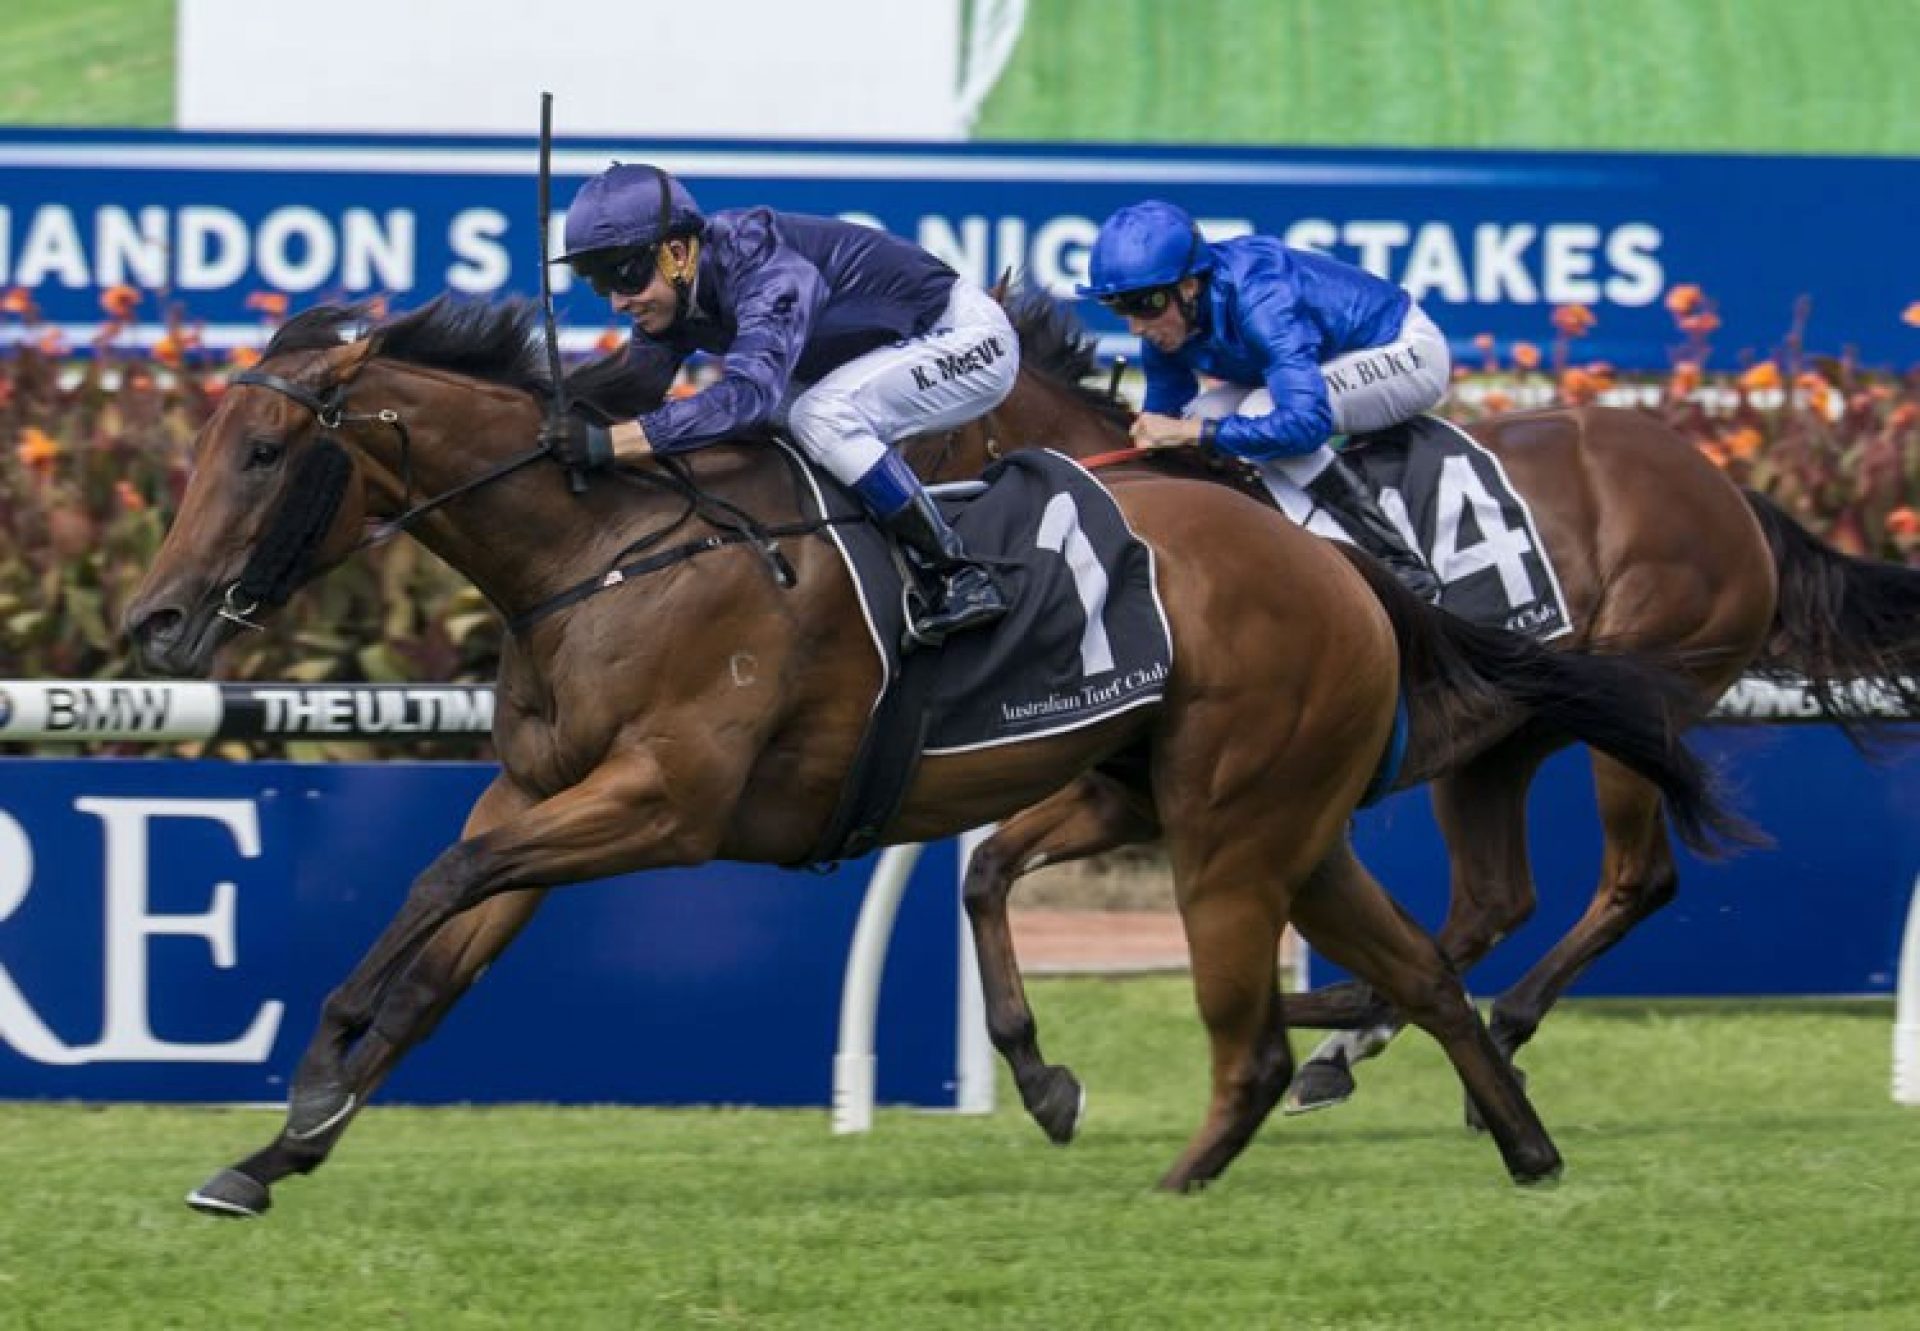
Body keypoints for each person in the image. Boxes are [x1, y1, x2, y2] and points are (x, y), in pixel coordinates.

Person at [541, 163, 1013, 648]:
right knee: (771, 421)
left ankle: (957, 574)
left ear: (677, 254)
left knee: (820, 416)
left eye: (624, 276)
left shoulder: (768, 270)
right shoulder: (673, 299)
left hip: (967, 339)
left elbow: (746, 397)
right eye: (599, 282)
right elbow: (632, 391)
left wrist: (608, 444)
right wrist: (555, 418)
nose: (618, 302)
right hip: (875, 355)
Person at [1077, 199, 1447, 602]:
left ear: (1189, 286)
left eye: (1146, 305)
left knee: (1254, 412)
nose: (1135, 326)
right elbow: (1164, 419)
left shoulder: (1263, 299)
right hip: (1324, 363)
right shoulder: (1170, 317)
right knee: (1202, 412)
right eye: (1120, 307)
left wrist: (1193, 433)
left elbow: (1305, 424)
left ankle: (1391, 560)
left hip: (1406, 351)